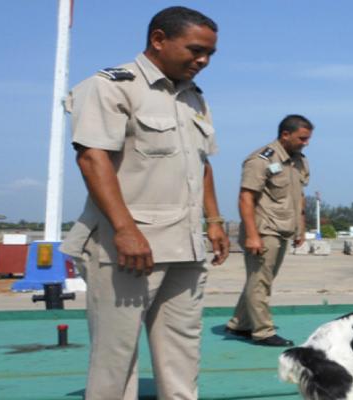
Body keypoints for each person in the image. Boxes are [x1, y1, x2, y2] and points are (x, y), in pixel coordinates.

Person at [59, 6, 229, 399]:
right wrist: (125, 229)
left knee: (182, 351)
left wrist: (215, 221)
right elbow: (91, 157)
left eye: (210, 54)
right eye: (195, 50)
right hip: (128, 248)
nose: (202, 61)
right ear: (158, 40)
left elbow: (201, 164)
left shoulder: (194, 99)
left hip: (185, 246)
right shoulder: (112, 86)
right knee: (115, 359)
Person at [225, 115, 313, 346]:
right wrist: (252, 235)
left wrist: (300, 228)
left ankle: (240, 323)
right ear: (285, 134)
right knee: (261, 282)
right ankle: (263, 331)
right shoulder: (261, 159)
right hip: (265, 230)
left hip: (284, 228)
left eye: (308, 139)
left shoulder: (298, 161)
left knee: (260, 279)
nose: (306, 143)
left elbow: (299, 197)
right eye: (302, 138)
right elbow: (246, 197)